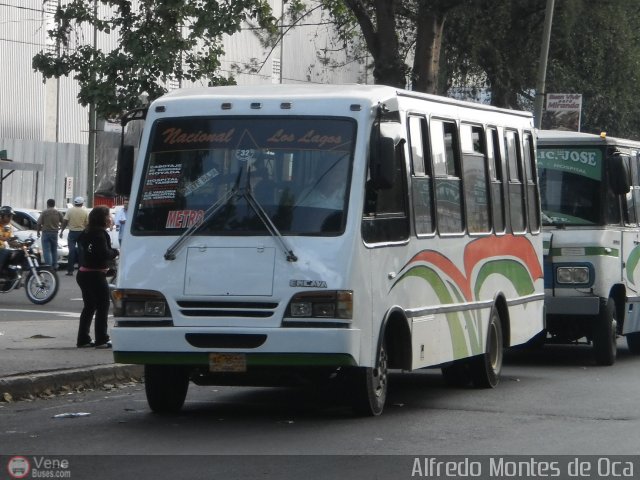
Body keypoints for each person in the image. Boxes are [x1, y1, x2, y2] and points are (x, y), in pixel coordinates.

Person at [75, 206, 119, 348]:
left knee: (89, 306)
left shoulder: (87, 232)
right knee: (103, 305)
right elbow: (104, 253)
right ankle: (102, 338)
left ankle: (83, 339)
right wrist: (115, 252)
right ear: (103, 218)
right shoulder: (100, 234)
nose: (110, 218)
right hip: (95, 274)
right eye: (108, 216)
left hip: (83, 273)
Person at [60, 196, 88, 276]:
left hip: (72, 233)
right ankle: (81, 270)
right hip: (82, 233)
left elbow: (65, 221)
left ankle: (70, 270)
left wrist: (61, 231)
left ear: (75, 203)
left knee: (71, 251)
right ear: (82, 203)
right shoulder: (85, 211)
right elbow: (87, 224)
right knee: (81, 251)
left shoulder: (70, 211)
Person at [36, 199, 63, 268]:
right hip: (55, 233)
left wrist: (38, 231)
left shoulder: (44, 212)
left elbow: (39, 223)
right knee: (54, 250)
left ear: (47, 204)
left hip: (46, 233)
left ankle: (49, 266)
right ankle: (55, 265)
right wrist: (60, 228)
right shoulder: (58, 212)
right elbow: (63, 221)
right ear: (54, 204)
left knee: (47, 250)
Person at [0, 206, 21, 274]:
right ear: (2, 216)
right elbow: (1, 238)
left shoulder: (9, 226)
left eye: (11, 216)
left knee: (17, 253)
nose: (10, 218)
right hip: (2, 249)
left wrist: (21, 245)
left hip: (3, 248)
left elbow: (11, 242)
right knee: (5, 252)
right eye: (8, 216)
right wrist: (9, 239)